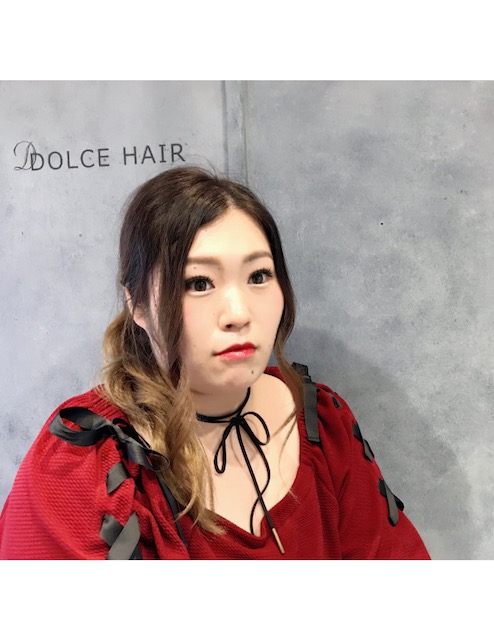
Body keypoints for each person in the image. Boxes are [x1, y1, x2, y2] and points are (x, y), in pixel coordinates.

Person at [0, 166, 430, 560]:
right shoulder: (81, 464)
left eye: (259, 276)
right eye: (198, 283)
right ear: (138, 304)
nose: (239, 314)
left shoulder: (322, 425)